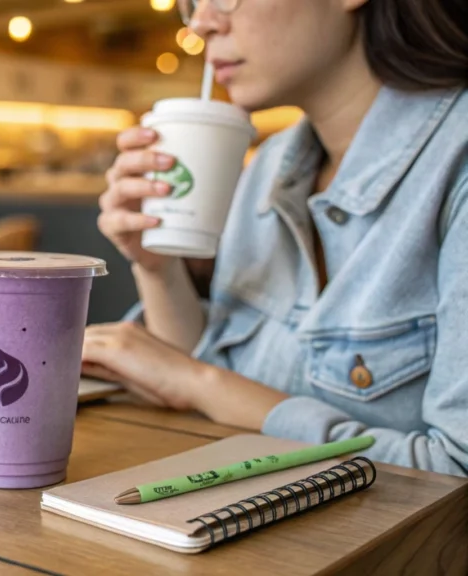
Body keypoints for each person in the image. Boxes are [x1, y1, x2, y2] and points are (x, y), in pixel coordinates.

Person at [83, 0, 468, 476]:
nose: (202, 22)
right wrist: (157, 266)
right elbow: (204, 398)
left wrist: (201, 383)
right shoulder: (269, 167)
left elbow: (454, 470)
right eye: (190, 3)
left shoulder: (456, 166)